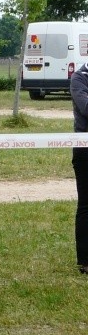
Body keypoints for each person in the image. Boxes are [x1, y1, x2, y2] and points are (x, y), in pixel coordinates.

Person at [70, 61, 88, 274]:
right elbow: (85, 108)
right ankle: (85, 260)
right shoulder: (79, 78)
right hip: (85, 150)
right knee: (86, 205)